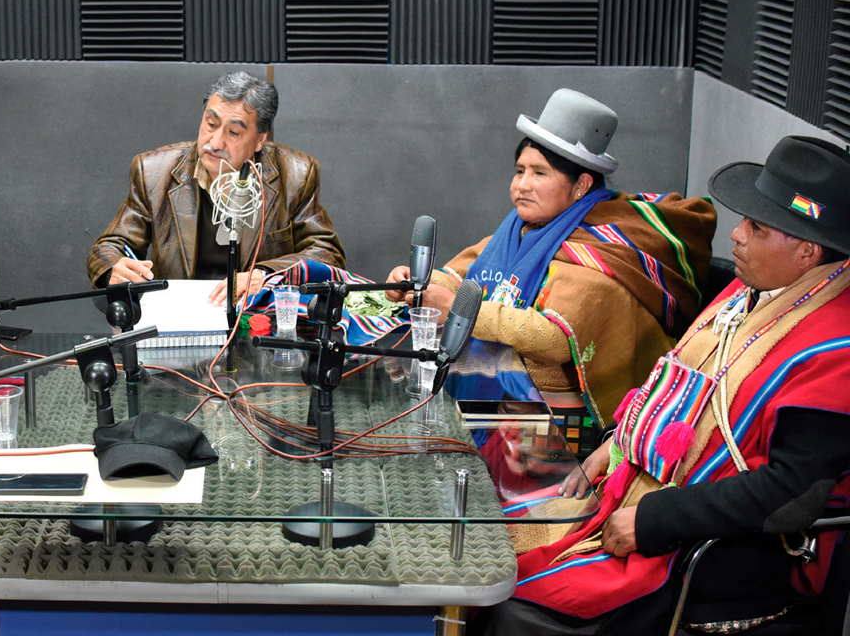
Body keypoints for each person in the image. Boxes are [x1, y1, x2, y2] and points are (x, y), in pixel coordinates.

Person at [474, 135, 850, 634]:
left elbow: (790, 495)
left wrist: (656, 521)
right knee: (491, 558)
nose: (735, 235)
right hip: (643, 487)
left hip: (728, 549)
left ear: (806, 252)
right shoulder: (746, 294)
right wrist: (615, 446)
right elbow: (672, 378)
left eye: (756, 227)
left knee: (518, 607)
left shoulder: (834, 349)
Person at [386, 88, 716, 456]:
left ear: (582, 186)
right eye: (519, 171)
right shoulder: (523, 228)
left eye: (539, 173)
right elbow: (465, 275)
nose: (521, 185)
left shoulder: (601, 248)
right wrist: (419, 284)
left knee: (498, 481)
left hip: (569, 427)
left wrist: (461, 308)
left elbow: (555, 336)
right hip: (511, 396)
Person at [86, 70, 345, 305]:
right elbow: (109, 246)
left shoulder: (297, 174)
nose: (216, 141)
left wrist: (265, 275)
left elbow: (327, 253)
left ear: (260, 139)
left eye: (233, 132)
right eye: (210, 125)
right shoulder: (153, 171)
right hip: (179, 315)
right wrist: (115, 267)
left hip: (256, 319)